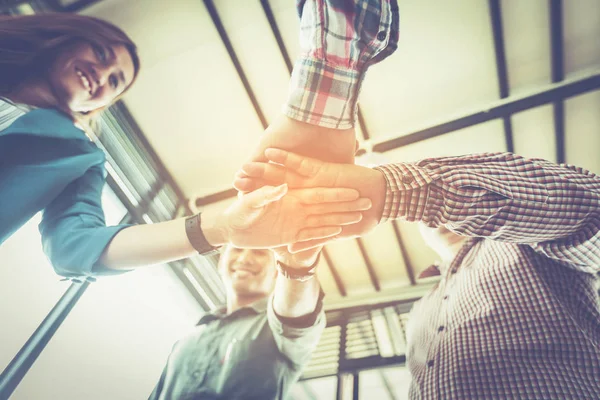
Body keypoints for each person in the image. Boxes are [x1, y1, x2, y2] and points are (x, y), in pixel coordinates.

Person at [0, 13, 372, 279]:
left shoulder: (80, 158)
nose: (103, 78)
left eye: (115, 82)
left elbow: (75, 248)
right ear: (68, 34)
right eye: (101, 55)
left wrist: (221, 226)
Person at [236, 149, 600, 399]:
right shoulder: (422, 309)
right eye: (429, 219)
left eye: (443, 214)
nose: (437, 220)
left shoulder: (527, 245)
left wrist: (391, 189)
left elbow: (589, 211)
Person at [150, 244, 325, 400]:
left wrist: (297, 266)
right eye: (237, 249)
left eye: (259, 252)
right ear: (220, 263)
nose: (245, 258)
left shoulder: (275, 327)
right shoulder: (185, 341)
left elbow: (295, 313)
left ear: (276, 271)